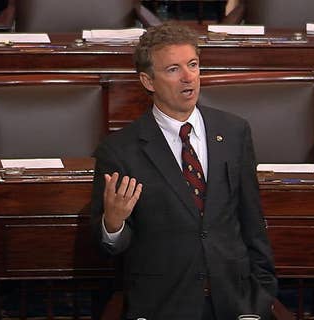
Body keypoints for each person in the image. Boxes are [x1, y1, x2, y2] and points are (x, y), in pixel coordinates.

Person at [90, 22, 277, 320]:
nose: (188, 77)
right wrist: (113, 225)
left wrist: (261, 297)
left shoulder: (234, 132)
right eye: (173, 69)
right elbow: (111, 248)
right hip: (164, 304)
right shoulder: (120, 151)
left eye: (193, 64)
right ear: (148, 81)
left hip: (236, 301)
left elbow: (252, 221)